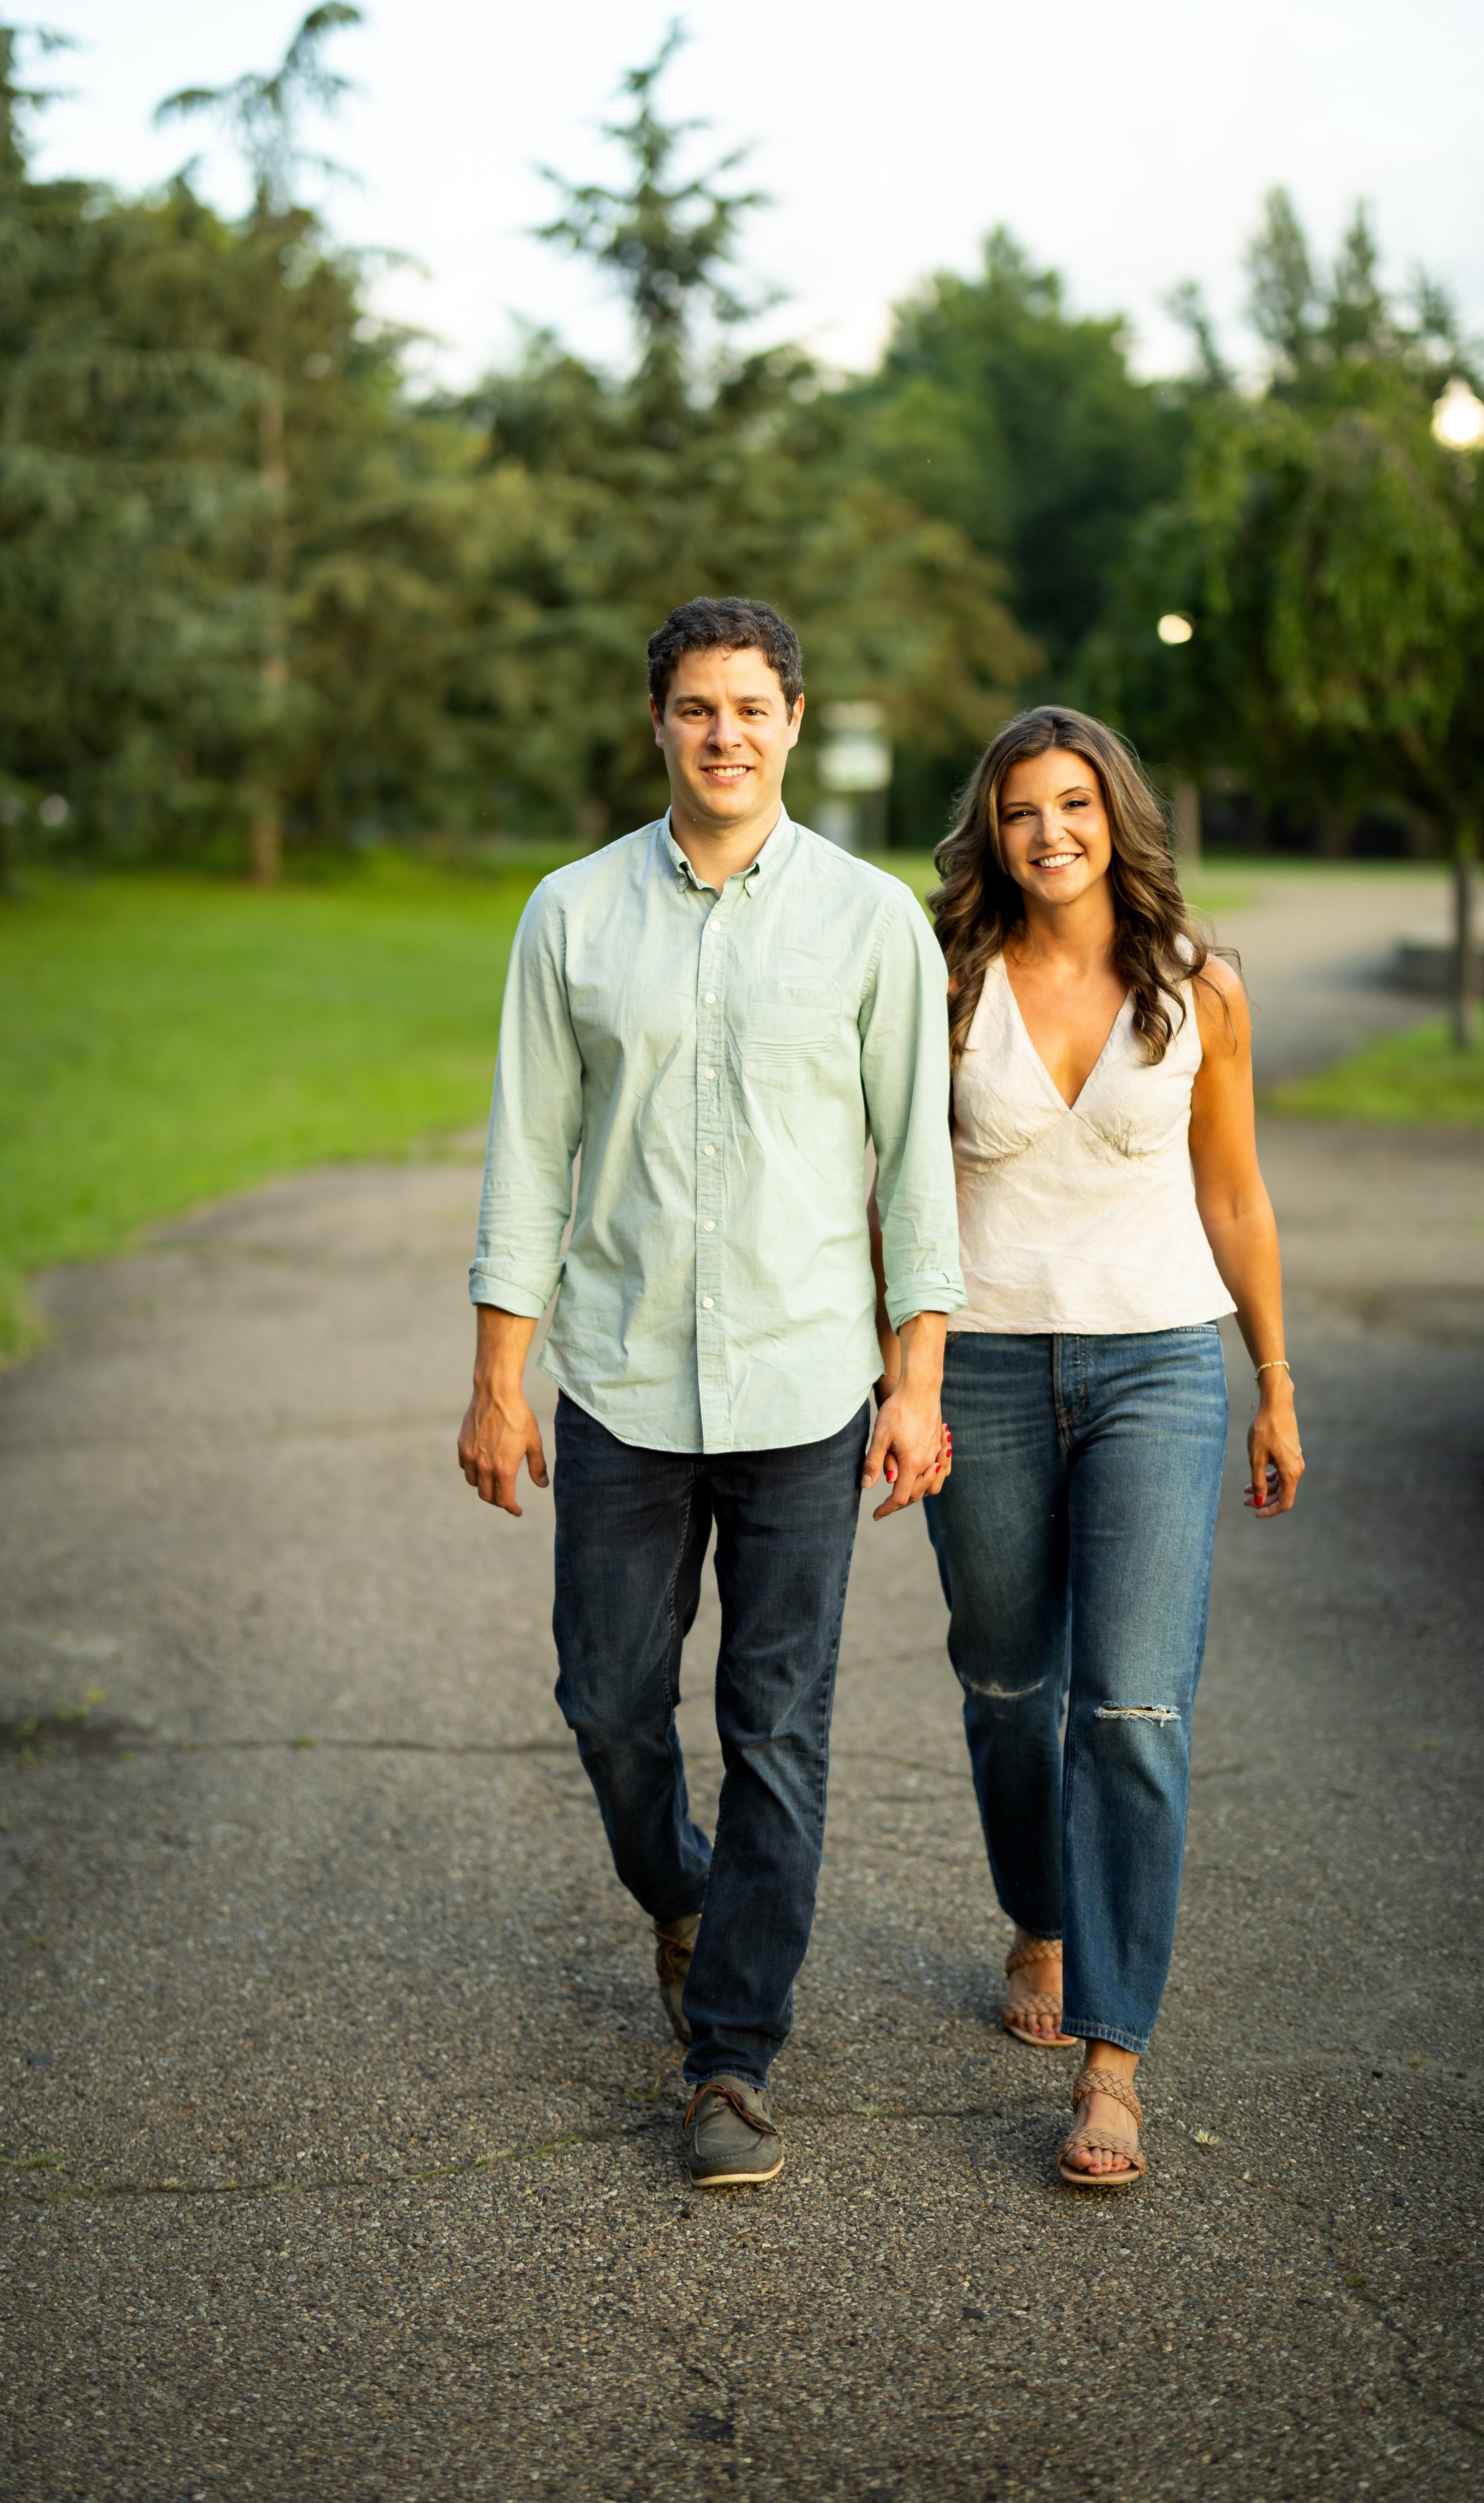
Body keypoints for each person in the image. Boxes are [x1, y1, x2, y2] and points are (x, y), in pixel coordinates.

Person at [457, 596, 961, 2190]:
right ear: (657, 724)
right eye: (694, 709)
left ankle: (731, 2060)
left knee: (777, 1729)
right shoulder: (571, 913)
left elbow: (914, 1172)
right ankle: (682, 1887)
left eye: (750, 707)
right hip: (616, 1379)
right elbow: (527, 1154)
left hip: (809, 1386)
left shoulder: (871, 919)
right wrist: (497, 1380)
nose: (723, 734)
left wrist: (913, 1382)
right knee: (608, 1702)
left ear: (794, 722)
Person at [914, 704, 1304, 2190]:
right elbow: (896, 1193)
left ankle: (1112, 2059)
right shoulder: (944, 982)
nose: (1048, 832)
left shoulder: (1200, 987)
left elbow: (1236, 1197)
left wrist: (1271, 1378)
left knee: (1130, 1711)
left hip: (1158, 1366)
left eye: (1072, 803)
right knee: (1011, 1692)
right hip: (988, 1372)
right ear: (991, 831)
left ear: (1115, 815)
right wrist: (907, 1376)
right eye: (1020, 809)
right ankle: (1038, 1908)